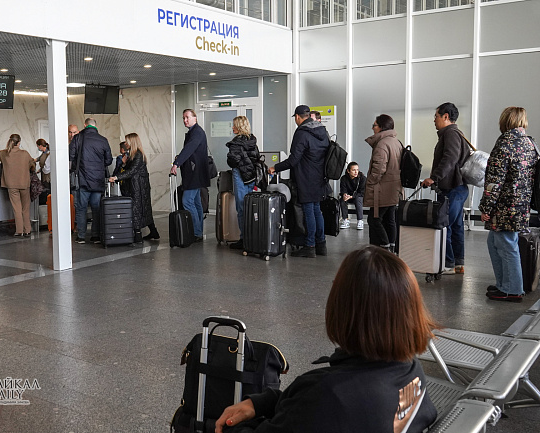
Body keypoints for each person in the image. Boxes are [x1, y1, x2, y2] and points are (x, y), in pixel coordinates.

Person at [215, 246, 438, 433]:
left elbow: (319, 407)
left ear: (343, 309)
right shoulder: (410, 369)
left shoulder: (329, 394)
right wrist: (264, 402)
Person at [479, 107, 538, 303]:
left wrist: (486, 208)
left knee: (507, 245)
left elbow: (494, 182)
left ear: (505, 121)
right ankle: (503, 283)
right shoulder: (530, 144)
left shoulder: (505, 144)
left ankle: (513, 289)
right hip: (521, 205)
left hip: (504, 207)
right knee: (495, 242)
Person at [269, 105, 328, 258]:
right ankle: (321, 244)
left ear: (297, 117)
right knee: (317, 210)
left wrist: (275, 168)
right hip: (320, 177)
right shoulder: (322, 131)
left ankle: (309, 246)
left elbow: (293, 160)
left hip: (306, 177)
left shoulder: (302, 133)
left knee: (308, 211)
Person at [422, 103, 470, 274]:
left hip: (453, 188)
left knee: (445, 225)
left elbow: (450, 158)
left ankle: (448, 263)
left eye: (436, 116)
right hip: (457, 188)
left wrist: (434, 177)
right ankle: (458, 263)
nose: (434, 120)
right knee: (456, 226)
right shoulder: (454, 133)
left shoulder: (450, 134)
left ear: (446, 116)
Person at [108, 133, 159, 243]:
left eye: (127, 141)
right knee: (144, 210)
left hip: (138, 187)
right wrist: (123, 164)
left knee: (136, 210)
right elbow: (128, 169)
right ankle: (153, 232)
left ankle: (138, 235)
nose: (125, 143)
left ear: (132, 142)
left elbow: (131, 171)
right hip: (138, 187)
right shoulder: (133, 154)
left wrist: (116, 177)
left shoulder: (137, 155)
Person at [69, 118, 113, 244]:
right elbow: (108, 160)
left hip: (82, 180)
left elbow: (70, 156)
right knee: (96, 208)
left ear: (85, 125)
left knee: (81, 208)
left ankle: (81, 236)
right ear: (95, 126)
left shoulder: (78, 138)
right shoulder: (103, 140)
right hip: (98, 180)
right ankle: (95, 236)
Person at [170, 109, 210, 242]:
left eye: (187, 117)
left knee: (187, 201)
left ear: (195, 118)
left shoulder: (197, 132)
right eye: (183, 118)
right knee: (196, 202)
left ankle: (196, 232)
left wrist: (176, 164)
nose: (185, 120)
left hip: (195, 173)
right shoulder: (194, 132)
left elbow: (189, 149)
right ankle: (198, 231)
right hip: (196, 173)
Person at [363, 114, 402, 251]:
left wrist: (370, 182)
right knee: (390, 219)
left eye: (374, 125)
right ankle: (391, 247)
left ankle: (383, 248)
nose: (372, 128)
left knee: (374, 219)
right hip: (394, 188)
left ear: (381, 127)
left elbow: (379, 168)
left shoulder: (382, 144)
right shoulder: (396, 142)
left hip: (382, 189)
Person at [226, 116, 259, 250]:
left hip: (240, 175)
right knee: (250, 207)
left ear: (239, 127)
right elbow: (256, 157)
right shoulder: (252, 140)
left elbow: (232, 161)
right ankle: (253, 237)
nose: (232, 127)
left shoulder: (236, 143)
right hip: (251, 176)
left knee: (241, 208)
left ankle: (244, 239)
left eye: (234, 125)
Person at [0, 134, 35, 237]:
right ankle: (27, 230)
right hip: (24, 184)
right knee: (25, 208)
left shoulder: (3, 154)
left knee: (16, 208)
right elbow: (32, 163)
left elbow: (0, 157)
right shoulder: (25, 153)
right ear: (19, 143)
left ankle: (19, 231)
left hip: (11, 185)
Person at [339, 161, 366, 230]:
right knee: (342, 200)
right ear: (348, 171)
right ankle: (345, 220)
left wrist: (352, 196)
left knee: (358, 199)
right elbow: (343, 189)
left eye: (357, 170)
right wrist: (344, 195)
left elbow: (362, 192)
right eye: (353, 170)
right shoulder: (344, 178)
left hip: (359, 196)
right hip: (348, 196)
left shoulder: (362, 178)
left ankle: (360, 221)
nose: (356, 172)